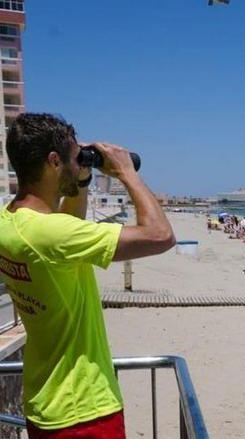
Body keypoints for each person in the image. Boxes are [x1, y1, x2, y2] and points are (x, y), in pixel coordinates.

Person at [0, 114, 176, 438]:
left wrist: (80, 181)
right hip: (83, 411)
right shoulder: (51, 234)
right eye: (72, 157)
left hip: (44, 401)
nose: (77, 161)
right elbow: (160, 235)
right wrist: (126, 172)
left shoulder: (9, 223)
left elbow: (66, 232)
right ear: (54, 161)